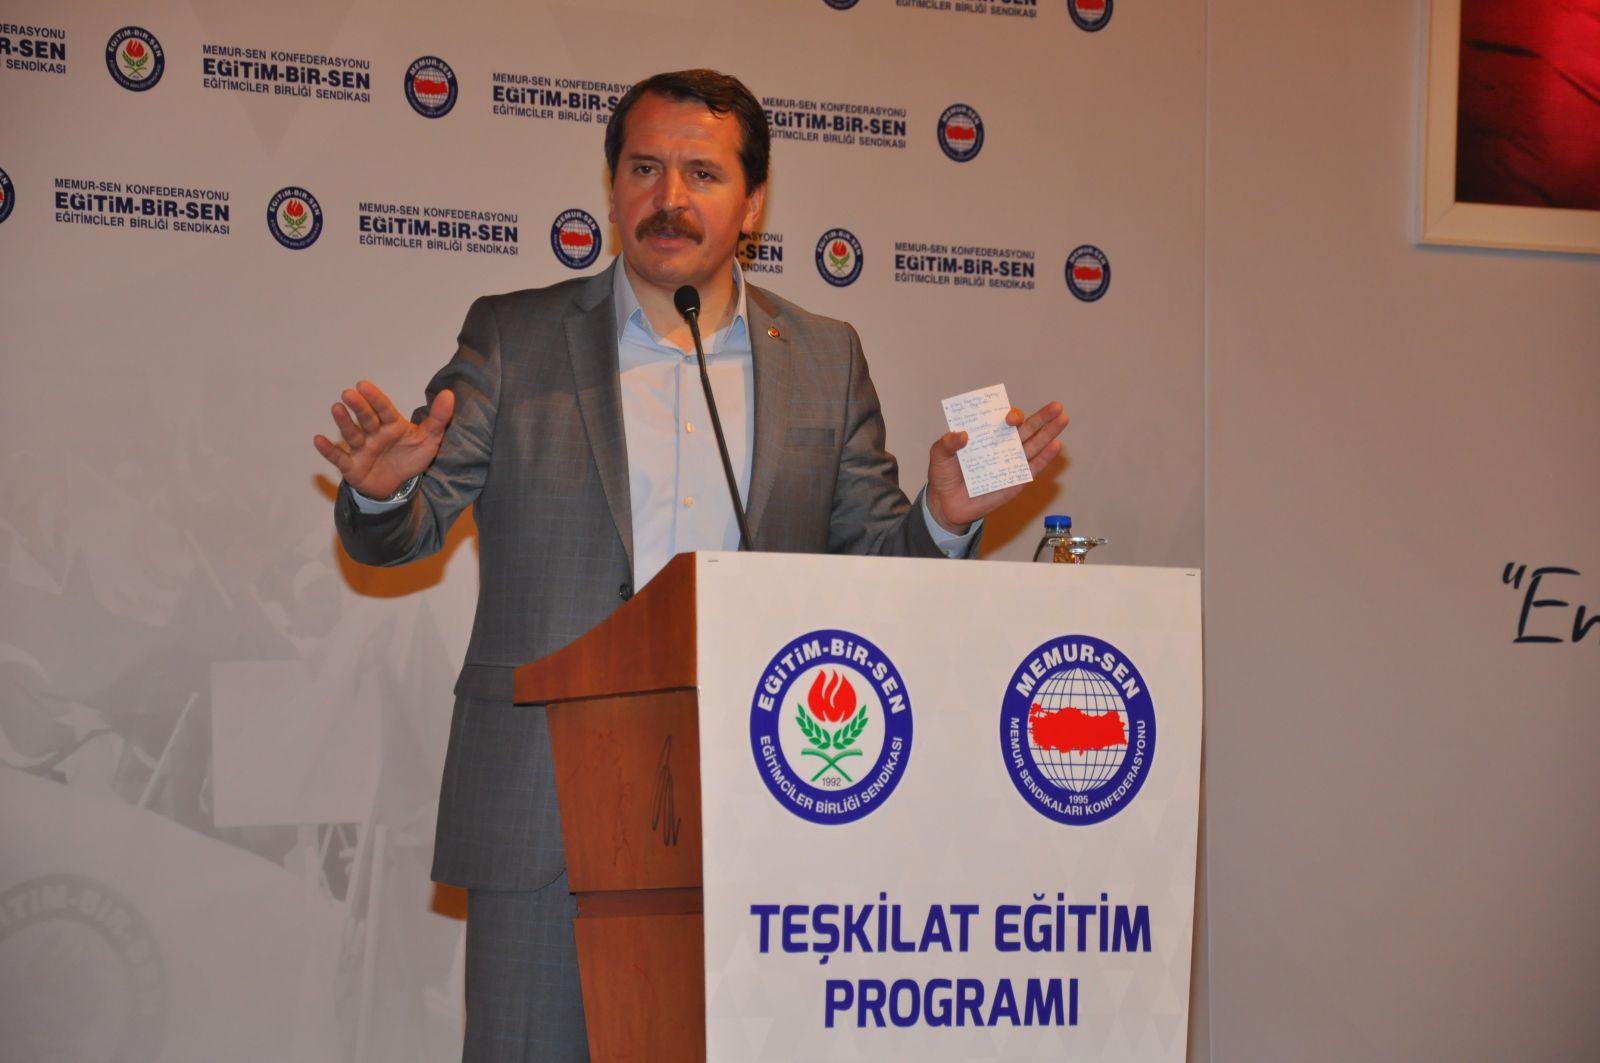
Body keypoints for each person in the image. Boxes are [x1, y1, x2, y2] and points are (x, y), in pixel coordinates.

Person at [313, 69, 1067, 1062]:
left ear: (752, 204)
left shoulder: (824, 357)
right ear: (612, 187)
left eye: (702, 173)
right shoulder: (515, 337)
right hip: (548, 800)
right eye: (644, 169)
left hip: (767, 796)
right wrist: (379, 495)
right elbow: (408, 529)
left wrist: (942, 515)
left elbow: (875, 566)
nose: (669, 198)